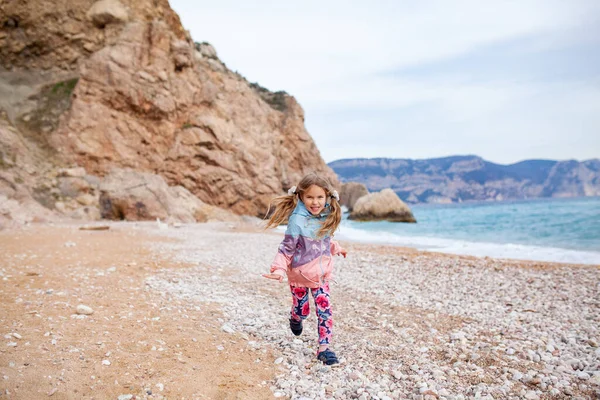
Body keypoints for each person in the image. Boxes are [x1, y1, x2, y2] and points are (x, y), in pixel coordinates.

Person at [263, 173, 347, 366]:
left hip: (321, 276)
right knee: (302, 311)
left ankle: (324, 348)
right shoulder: (296, 221)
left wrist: (337, 248)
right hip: (300, 275)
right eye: (310, 197)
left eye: (320, 197)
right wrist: (278, 270)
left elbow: (325, 242)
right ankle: (295, 317)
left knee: (325, 310)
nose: (315, 202)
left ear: (327, 197)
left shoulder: (326, 216)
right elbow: (286, 249)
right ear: (301, 197)